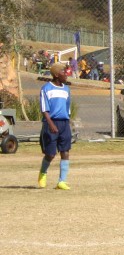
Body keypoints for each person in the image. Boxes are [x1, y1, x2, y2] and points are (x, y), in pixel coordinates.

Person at [38, 62, 72, 190]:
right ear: (57, 74)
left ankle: (62, 181)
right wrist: (50, 124)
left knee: (65, 151)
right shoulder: (46, 88)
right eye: (64, 72)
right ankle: (43, 173)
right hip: (51, 123)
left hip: (64, 123)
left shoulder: (66, 89)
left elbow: (67, 107)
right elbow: (44, 109)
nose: (66, 74)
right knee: (50, 154)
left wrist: (68, 122)